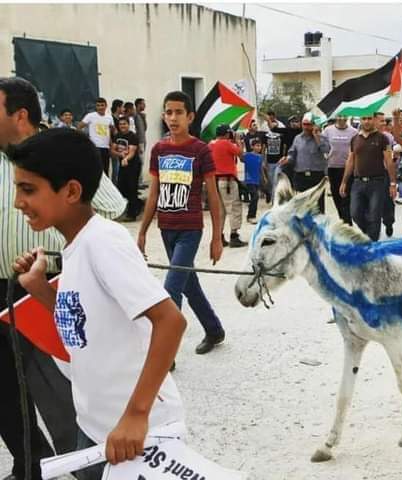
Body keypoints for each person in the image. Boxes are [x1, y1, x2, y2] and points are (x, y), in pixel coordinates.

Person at [10, 128, 186, 480]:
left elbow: (170, 321)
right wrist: (40, 289)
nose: (18, 202)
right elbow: (85, 323)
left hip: (139, 435)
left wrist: (137, 415)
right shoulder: (77, 245)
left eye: (28, 189)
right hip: (95, 426)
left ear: (72, 191)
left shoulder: (103, 242)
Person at [0, 77, 126, 480]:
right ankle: (29, 463)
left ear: (19, 115)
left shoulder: (62, 154)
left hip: (50, 286)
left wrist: (58, 245)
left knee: (60, 394)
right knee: (5, 391)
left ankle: (90, 470)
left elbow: (109, 209)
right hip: (1, 290)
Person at [137, 91, 226, 356]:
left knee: (171, 287)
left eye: (178, 112)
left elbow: (213, 194)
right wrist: (142, 232)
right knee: (189, 285)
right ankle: (214, 330)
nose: (173, 118)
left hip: (190, 229)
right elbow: (154, 192)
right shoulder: (159, 150)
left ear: (190, 116)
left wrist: (217, 237)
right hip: (167, 228)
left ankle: (165, 352)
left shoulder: (200, 150)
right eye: (168, 112)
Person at [340, 114, 395, 241]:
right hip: (358, 183)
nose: (367, 121)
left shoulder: (383, 139)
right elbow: (350, 161)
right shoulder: (354, 139)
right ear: (360, 120)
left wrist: (393, 183)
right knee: (355, 213)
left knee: (374, 216)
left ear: (374, 120)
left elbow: (388, 160)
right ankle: (367, 233)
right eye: (364, 119)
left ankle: (372, 243)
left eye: (369, 118)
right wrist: (344, 182)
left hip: (377, 182)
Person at [280, 114, 330, 212]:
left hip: (317, 176)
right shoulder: (297, 138)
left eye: (309, 124)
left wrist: (317, 137)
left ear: (314, 125)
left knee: (318, 205)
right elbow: (292, 153)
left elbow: (326, 150)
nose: (306, 127)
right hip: (300, 176)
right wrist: (287, 159)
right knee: (301, 205)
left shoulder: (322, 138)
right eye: (304, 124)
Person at [208, 124, 245, 247]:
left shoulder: (210, 144)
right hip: (227, 181)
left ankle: (219, 236)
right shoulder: (227, 144)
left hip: (214, 181)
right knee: (233, 207)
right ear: (227, 133)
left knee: (220, 210)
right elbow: (241, 154)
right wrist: (239, 141)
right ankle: (234, 236)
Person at [324, 114, 357, 225]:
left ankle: (347, 223)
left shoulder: (353, 132)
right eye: (340, 116)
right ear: (336, 117)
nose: (342, 119)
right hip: (332, 167)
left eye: (344, 116)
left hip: (347, 168)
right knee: (336, 196)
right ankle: (343, 219)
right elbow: (323, 147)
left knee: (345, 196)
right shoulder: (328, 131)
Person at [111, 116, 142, 221]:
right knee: (121, 188)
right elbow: (112, 150)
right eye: (120, 124)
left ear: (128, 125)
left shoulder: (133, 137)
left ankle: (132, 215)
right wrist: (120, 155)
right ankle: (138, 204)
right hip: (123, 166)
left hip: (133, 166)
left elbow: (132, 152)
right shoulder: (117, 136)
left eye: (124, 124)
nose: (122, 126)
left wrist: (126, 158)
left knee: (132, 188)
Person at [77, 97, 114, 177]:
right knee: (96, 171)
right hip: (95, 147)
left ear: (106, 106)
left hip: (106, 148)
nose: (100, 107)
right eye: (98, 105)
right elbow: (79, 126)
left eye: (102, 105)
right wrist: (86, 139)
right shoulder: (90, 116)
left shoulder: (109, 118)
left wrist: (111, 146)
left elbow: (110, 132)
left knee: (105, 171)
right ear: (96, 107)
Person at [375, 112, 397, 237]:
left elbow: (393, 154)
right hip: (370, 174)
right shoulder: (362, 136)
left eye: (384, 121)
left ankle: (388, 222)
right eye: (381, 121)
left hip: (385, 173)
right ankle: (374, 227)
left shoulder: (388, 137)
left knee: (387, 201)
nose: (383, 123)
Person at [243, 139, 263, 223]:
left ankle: (251, 213)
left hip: (257, 180)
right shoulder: (247, 155)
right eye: (257, 146)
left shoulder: (260, 157)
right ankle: (251, 216)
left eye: (260, 146)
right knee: (255, 196)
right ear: (252, 146)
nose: (259, 147)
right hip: (249, 180)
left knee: (255, 198)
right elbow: (240, 157)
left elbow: (261, 168)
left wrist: (264, 178)